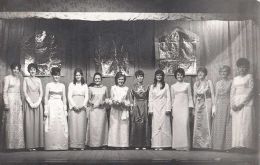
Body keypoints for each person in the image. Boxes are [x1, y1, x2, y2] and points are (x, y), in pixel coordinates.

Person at [230, 58, 254, 152]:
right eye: (240, 67)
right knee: (237, 124)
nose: (242, 69)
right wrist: (233, 104)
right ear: (237, 68)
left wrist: (242, 104)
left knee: (246, 123)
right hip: (236, 102)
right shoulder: (235, 79)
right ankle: (237, 145)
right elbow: (232, 92)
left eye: (244, 67)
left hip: (246, 103)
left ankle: (246, 146)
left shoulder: (249, 76)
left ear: (247, 68)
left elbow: (251, 91)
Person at [44, 67, 68, 150]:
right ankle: (51, 145)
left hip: (60, 105)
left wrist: (65, 109)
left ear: (60, 75)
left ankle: (61, 145)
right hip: (51, 105)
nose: (56, 77)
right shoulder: (48, 85)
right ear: (52, 75)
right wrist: (46, 109)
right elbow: (46, 97)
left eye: (58, 75)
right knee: (51, 123)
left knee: (60, 124)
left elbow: (64, 97)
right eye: (54, 75)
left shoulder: (62, 85)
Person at [3, 63, 25, 150]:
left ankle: (18, 145)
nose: (16, 71)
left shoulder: (19, 79)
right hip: (10, 100)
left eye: (17, 69)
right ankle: (10, 145)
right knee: (10, 122)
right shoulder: (7, 78)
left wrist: (20, 102)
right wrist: (6, 103)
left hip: (17, 101)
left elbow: (19, 92)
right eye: (14, 69)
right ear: (11, 69)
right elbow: (5, 91)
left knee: (18, 122)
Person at [171, 68, 193, 151]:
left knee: (184, 125)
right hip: (176, 108)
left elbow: (190, 97)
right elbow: (172, 99)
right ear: (176, 76)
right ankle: (178, 145)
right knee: (177, 126)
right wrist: (172, 109)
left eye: (180, 75)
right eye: (178, 75)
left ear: (183, 75)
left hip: (184, 108)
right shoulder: (172, 86)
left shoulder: (187, 85)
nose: (179, 76)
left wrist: (190, 107)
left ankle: (185, 145)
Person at [148, 69, 171, 150]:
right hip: (155, 108)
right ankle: (156, 145)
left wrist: (168, 108)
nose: (159, 77)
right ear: (155, 76)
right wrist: (150, 109)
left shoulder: (166, 85)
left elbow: (168, 98)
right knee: (155, 125)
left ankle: (164, 144)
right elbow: (150, 99)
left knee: (164, 125)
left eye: (160, 75)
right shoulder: (152, 86)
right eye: (157, 75)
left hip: (164, 107)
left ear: (162, 76)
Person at [23, 63, 44, 151]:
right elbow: (24, 92)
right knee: (29, 124)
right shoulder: (26, 79)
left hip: (38, 103)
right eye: (31, 69)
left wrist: (38, 101)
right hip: (29, 103)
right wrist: (30, 102)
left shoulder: (39, 80)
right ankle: (30, 145)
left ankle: (38, 144)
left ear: (36, 70)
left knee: (37, 124)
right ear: (29, 70)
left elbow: (41, 92)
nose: (32, 71)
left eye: (34, 69)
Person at [193, 67, 215, 149]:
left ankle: (207, 144)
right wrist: (194, 108)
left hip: (207, 103)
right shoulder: (196, 84)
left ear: (205, 74)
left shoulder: (209, 82)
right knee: (198, 123)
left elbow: (212, 94)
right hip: (198, 104)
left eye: (202, 72)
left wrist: (213, 106)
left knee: (206, 123)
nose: (200, 74)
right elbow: (195, 96)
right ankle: (198, 144)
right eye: (199, 72)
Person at [108, 72, 131, 148]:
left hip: (123, 110)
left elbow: (128, 100)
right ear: (116, 80)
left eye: (122, 79)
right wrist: (115, 103)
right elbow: (111, 99)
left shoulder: (126, 89)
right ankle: (114, 144)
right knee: (115, 126)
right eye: (119, 79)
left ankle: (123, 144)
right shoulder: (113, 88)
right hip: (115, 110)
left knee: (123, 127)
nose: (121, 81)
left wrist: (125, 104)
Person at [211, 65, 232, 151]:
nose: (223, 73)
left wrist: (231, 107)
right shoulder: (217, 83)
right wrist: (214, 107)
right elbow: (216, 96)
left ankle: (226, 147)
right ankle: (217, 146)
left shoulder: (231, 82)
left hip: (227, 104)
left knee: (226, 125)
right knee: (218, 125)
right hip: (218, 105)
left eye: (225, 71)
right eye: (222, 72)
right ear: (220, 73)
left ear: (228, 73)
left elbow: (232, 95)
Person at [68, 68, 88, 150]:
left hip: (82, 107)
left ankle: (81, 145)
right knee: (74, 125)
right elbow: (69, 96)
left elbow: (86, 96)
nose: (78, 76)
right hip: (74, 107)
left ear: (82, 75)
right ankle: (73, 145)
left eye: (79, 75)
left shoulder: (85, 85)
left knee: (81, 126)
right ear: (74, 76)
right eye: (76, 75)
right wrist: (74, 105)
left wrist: (83, 105)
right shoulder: (71, 84)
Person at [129, 70, 150, 150]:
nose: (140, 78)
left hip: (144, 105)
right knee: (137, 124)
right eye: (138, 76)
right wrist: (132, 107)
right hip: (136, 105)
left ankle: (144, 144)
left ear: (143, 77)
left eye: (141, 76)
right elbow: (131, 98)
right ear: (136, 77)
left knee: (144, 124)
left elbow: (149, 97)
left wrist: (148, 106)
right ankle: (136, 144)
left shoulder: (147, 86)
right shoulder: (133, 86)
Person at [87, 72, 109, 148]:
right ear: (94, 79)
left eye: (99, 78)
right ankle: (93, 144)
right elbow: (88, 100)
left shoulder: (105, 88)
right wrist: (93, 103)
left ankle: (102, 144)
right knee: (94, 127)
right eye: (96, 78)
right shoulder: (90, 88)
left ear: (101, 79)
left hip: (102, 110)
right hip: (93, 110)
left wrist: (103, 102)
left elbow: (107, 98)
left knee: (101, 127)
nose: (97, 80)